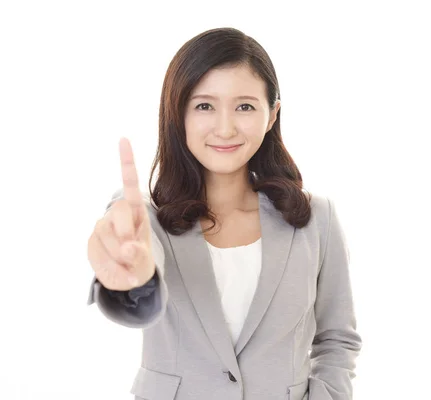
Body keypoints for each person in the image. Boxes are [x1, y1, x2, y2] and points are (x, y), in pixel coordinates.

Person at [86, 27, 361, 400]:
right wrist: (134, 282)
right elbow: (139, 296)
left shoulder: (317, 220)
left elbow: (337, 339)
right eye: (204, 106)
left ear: (272, 113)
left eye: (245, 106)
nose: (225, 127)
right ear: (177, 113)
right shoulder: (144, 218)